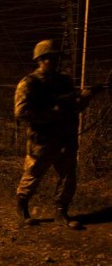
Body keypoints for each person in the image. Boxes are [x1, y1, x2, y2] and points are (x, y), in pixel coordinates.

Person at [14, 39, 96, 230]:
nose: (55, 61)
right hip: (41, 139)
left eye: (56, 58)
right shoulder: (29, 83)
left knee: (68, 176)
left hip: (65, 137)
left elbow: (74, 108)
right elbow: (22, 112)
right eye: (50, 58)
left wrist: (84, 99)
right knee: (33, 175)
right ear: (40, 59)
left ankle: (61, 211)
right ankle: (23, 208)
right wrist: (52, 114)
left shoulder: (64, 81)